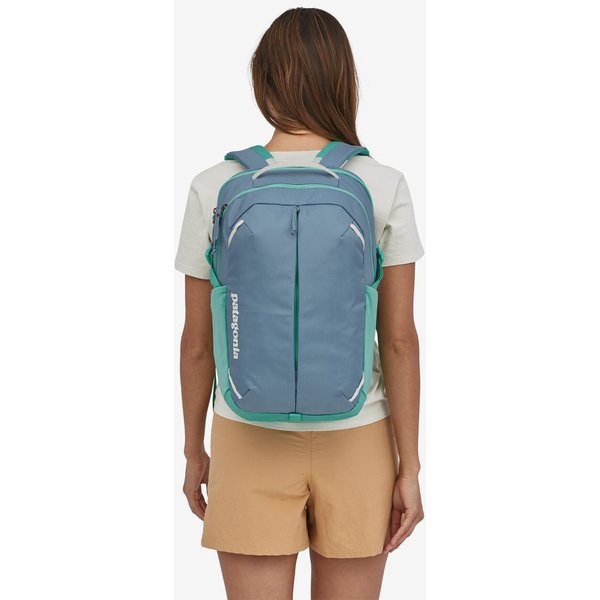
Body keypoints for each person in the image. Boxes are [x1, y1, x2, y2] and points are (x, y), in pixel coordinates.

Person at [175, 8, 424, 600]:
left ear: (262, 80)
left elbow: (198, 343)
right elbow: (398, 340)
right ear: (344, 79)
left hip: (245, 431)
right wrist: (410, 466)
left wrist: (193, 451)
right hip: (359, 432)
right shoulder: (382, 182)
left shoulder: (214, 185)